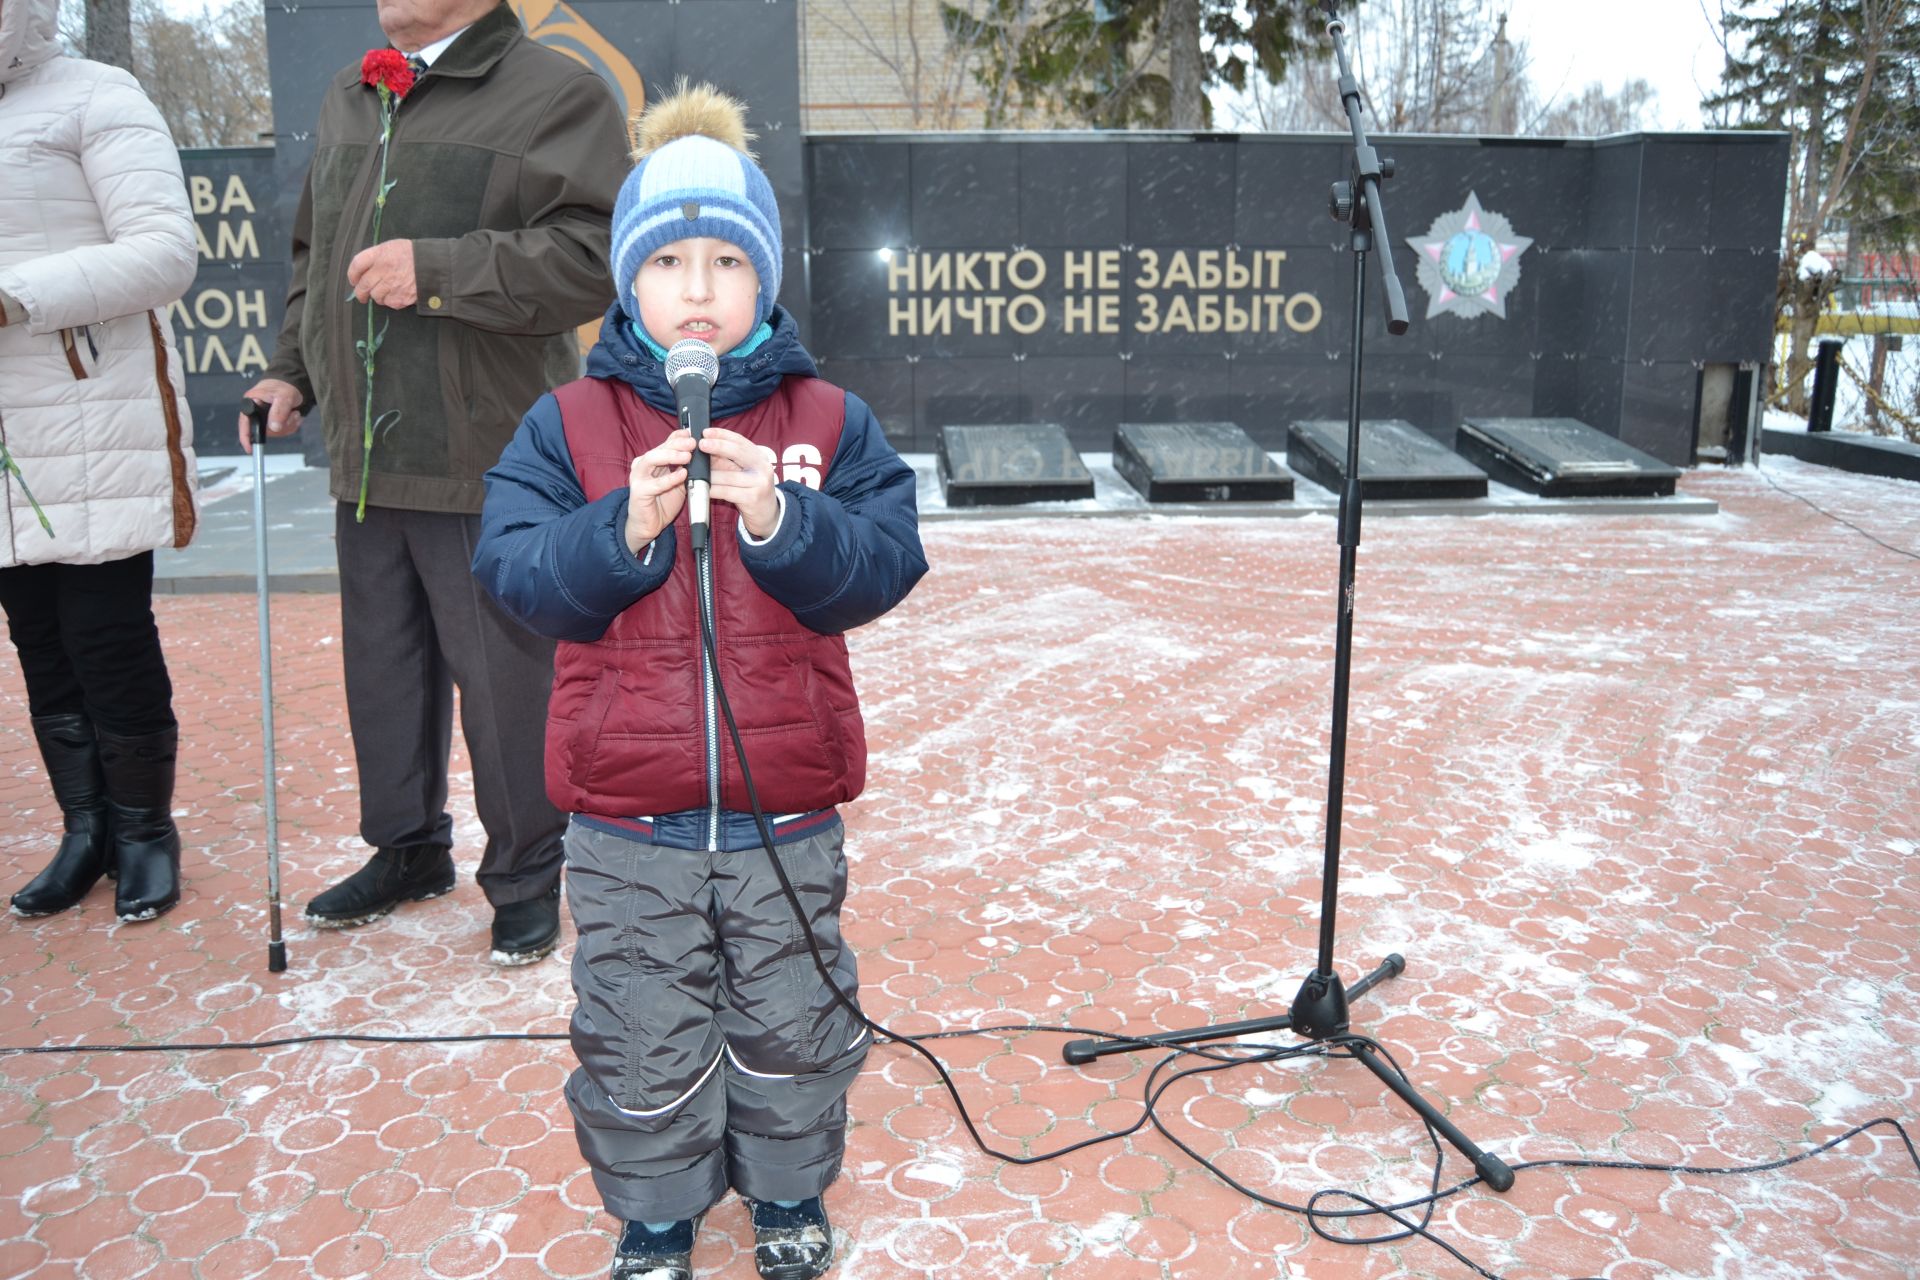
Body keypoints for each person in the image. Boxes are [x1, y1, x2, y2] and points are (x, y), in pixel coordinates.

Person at [472, 84, 927, 1280]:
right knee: (640, 1027)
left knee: (792, 1018)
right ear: (629, 283)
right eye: (668, 259)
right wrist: (618, 532)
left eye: (728, 259)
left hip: (787, 805)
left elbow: (885, 560)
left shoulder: (828, 417)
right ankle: (657, 1210)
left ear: (765, 279)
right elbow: (516, 573)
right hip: (630, 816)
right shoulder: (567, 422)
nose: (698, 287)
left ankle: (785, 1194)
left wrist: (785, 515)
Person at [239, 0, 629, 965]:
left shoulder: (557, 94)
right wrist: (293, 368)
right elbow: (316, 257)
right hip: (369, 461)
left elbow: (596, 259)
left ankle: (529, 874)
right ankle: (407, 849)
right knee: (384, 673)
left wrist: (443, 269)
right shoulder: (350, 93)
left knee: (505, 687)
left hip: (489, 454)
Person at [0, 0, 200, 924]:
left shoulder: (94, 93)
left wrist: (13, 299)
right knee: (38, 644)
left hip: (87, 410)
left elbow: (164, 252)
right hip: (7, 435)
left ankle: (146, 831)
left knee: (105, 637)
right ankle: (85, 829)